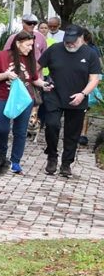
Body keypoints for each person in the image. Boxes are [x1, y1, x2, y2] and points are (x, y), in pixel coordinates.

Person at [39, 25, 101, 176]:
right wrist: (41, 82)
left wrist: (83, 94)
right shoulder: (54, 49)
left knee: (72, 133)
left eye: (73, 41)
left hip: (78, 98)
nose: (70, 44)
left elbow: (94, 79)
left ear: (81, 38)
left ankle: (66, 163)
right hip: (54, 95)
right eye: (67, 41)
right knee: (52, 126)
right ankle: (52, 156)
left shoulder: (90, 54)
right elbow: (38, 67)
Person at [0, 30, 46, 174]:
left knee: (20, 131)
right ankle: (1, 157)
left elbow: (33, 79)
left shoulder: (31, 59)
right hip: (2, 97)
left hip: (24, 99)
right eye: (28, 45)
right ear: (18, 43)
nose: (30, 48)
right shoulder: (3, 56)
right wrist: (5, 75)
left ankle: (15, 161)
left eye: (32, 45)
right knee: (2, 129)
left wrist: (44, 84)